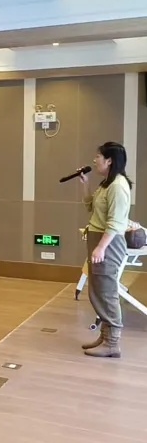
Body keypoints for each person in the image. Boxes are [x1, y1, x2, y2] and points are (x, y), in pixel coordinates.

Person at [80, 142, 132, 358]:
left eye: (98, 156)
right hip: (99, 239)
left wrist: (101, 247)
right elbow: (91, 207)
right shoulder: (106, 183)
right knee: (98, 291)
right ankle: (105, 336)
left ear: (109, 160)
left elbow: (115, 222)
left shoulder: (118, 186)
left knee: (106, 292)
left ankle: (112, 343)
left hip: (108, 244)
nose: (94, 160)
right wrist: (85, 184)